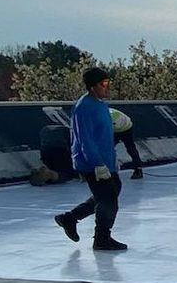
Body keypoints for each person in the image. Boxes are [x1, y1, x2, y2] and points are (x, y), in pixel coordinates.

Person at [54, 67, 128, 252]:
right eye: (103, 84)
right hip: (91, 162)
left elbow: (103, 135)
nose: (107, 87)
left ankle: (70, 218)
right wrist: (97, 164)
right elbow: (85, 139)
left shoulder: (100, 104)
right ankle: (102, 238)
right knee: (108, 199)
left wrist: (111, 159)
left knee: (112, 190)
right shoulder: (84, 107)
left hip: (105, 159)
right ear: (92, 86)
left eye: (108, 83)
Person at [111, 108, 145, 179]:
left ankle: (138, 169)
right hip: (116, 126)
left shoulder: (109, 116)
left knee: (130, 148)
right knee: (107, 149)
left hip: (126, 128)